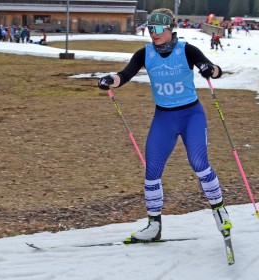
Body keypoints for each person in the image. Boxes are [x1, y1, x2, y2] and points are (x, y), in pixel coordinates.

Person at [98, 8, 232, 242]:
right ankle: (154, 225)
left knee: (199, 163)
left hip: (191, 115)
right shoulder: (144, 53)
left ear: (171, 29)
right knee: (152, 171)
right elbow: (125, 75)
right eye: (151, 28)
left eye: (159, 28)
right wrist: (111, 80)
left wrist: (210, 69)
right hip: (164, 118)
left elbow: (216, 70)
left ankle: (220, 211)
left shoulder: (187, 50)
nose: (154, 33)